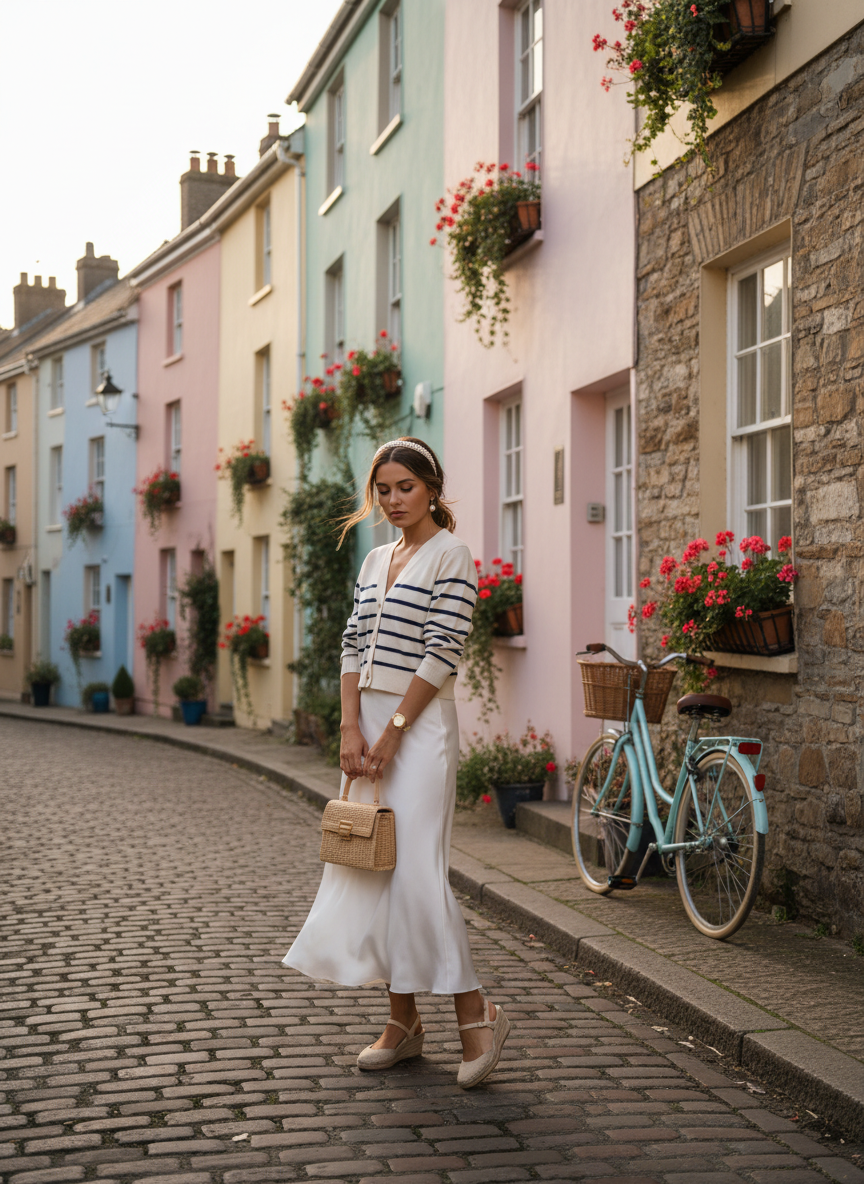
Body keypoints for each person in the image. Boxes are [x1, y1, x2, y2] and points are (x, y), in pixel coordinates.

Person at [283, 436, 510, 1088]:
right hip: (369, 724)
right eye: (382, 489)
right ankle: (403, 1024)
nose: (393, 500)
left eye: (404, 487)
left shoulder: (452, 556)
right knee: (373, 868)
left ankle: (477, 1014)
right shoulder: (377, 557)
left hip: (422, 727)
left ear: (432, 488)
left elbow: (441, 653)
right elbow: (351, 643)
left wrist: (394, 733)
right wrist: (351, 726)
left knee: (415, 874)